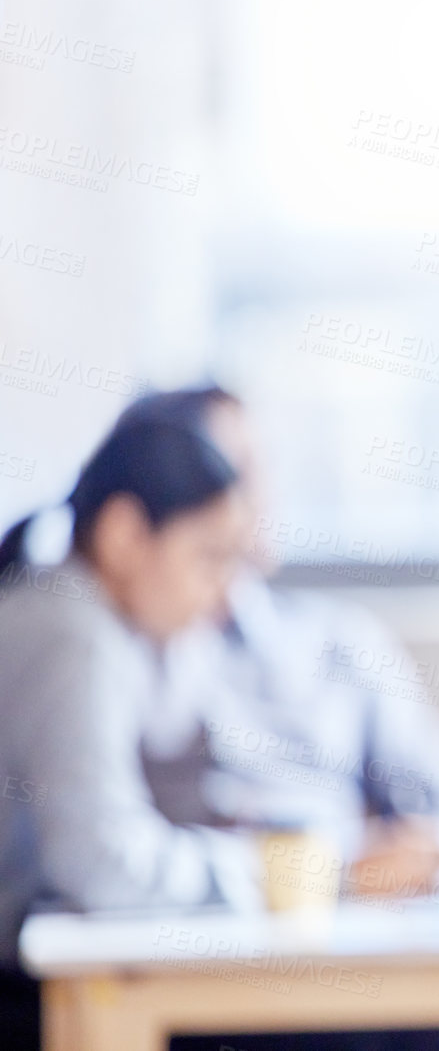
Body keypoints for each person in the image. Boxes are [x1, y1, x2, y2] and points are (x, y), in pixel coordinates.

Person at [114, 387, 439, 898]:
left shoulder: (341, 640)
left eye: (254, 469)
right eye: (223, 473)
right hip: (182, 934)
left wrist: (403, 857)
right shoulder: (113, 654)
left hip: (345, 933)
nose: (248, 496)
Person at [0, 412, 254, 1050]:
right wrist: (259, 874)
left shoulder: (59, 612)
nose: (224, 596)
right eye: (208, 557)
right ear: (123, 535)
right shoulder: (74, 636)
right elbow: (99, 858)